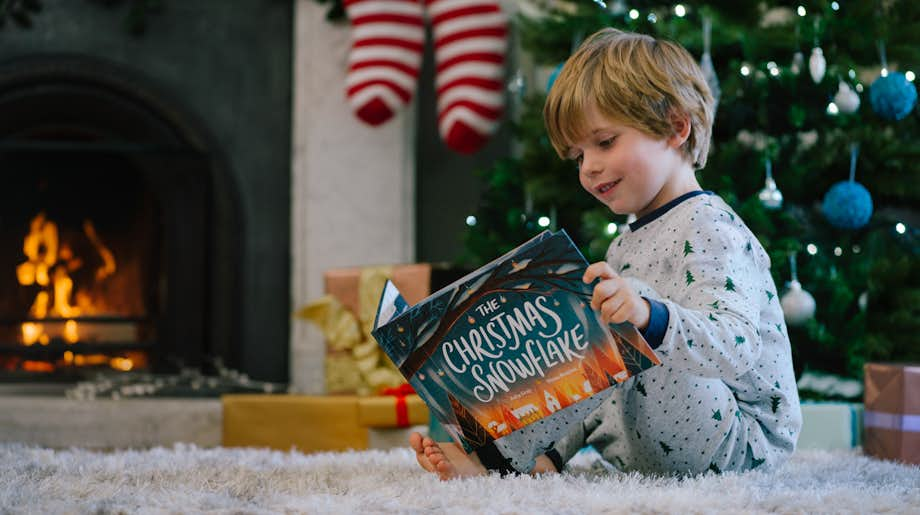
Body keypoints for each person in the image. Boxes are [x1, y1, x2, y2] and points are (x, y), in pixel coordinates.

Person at [410, 27, 802, 480]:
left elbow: (736, 346)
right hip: (659, 442)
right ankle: (519, 461)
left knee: (613, 318)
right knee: (589, 331)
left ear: (676, 127)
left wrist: (647, 315)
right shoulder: (623, 244)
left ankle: (513, 458)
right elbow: (600, 377)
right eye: (578, 155)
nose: (589, 168)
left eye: (604, 142)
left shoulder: (710, 225)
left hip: (739, 446)